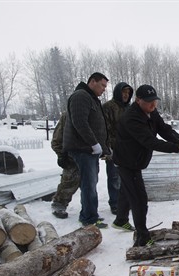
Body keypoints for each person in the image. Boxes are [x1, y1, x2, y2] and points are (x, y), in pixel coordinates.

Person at [112, 84, 179, 247]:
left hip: (136, 160)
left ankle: (120, 220)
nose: (153, 105)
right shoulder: (131, 118)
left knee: (127, 192)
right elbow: (150, 141)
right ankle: (143, 237)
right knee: (139, 199)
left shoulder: (150, 111)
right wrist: (176, 148)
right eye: (149, 102)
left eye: (155, 101)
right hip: (128, 163)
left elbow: (164, 129)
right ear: (138, 100)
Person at [63, 72, 110, 228]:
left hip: (89, 150)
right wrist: (93, 144)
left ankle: (90, 214)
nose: (104, 89)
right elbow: (80, 122)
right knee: (88, 184)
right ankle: (89, 218)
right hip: (82, 149)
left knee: (91, 182)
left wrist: (102, 146)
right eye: (102, 85)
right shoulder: (81, 96)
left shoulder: (91, 98)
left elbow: (97, 125)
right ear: (92, 81)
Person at [102, 82, 134, 216]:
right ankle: (115, 203)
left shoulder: (130, 108)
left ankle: (126, 201)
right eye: (123, 92)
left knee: (128, 176)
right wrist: (109, 146)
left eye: (128, 93)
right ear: (117, 92)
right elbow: (104, 128)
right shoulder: (108, 107)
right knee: (114, 176)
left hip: (129, 148)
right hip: (114, 147)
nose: (126, 95)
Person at [50, 112, 80, 219]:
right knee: (69, 181)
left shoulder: (94, 111)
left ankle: (88, 209)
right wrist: (61, 155)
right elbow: (57, 138)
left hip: (87, 155)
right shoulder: (68, 115)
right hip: (70, 155)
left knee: (89, 184)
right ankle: (59, 203)